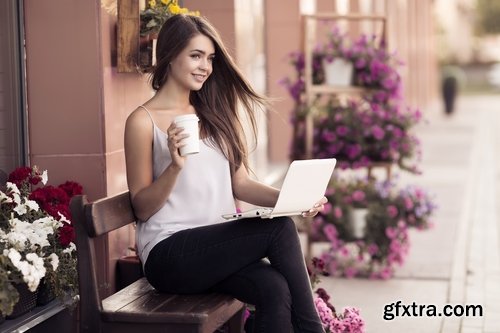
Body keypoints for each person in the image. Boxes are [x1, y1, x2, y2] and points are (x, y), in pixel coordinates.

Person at [124, 14, 327, 333]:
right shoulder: (142, 121)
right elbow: (142, 207)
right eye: (195, 55)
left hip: (213, 251)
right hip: (168, 255)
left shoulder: (215, 114)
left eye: (210, 58)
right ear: (169, 55)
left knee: (275, 288)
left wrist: (296, 200)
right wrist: (174, 168)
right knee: (278, 228)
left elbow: (241, 183)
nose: (205, 66)